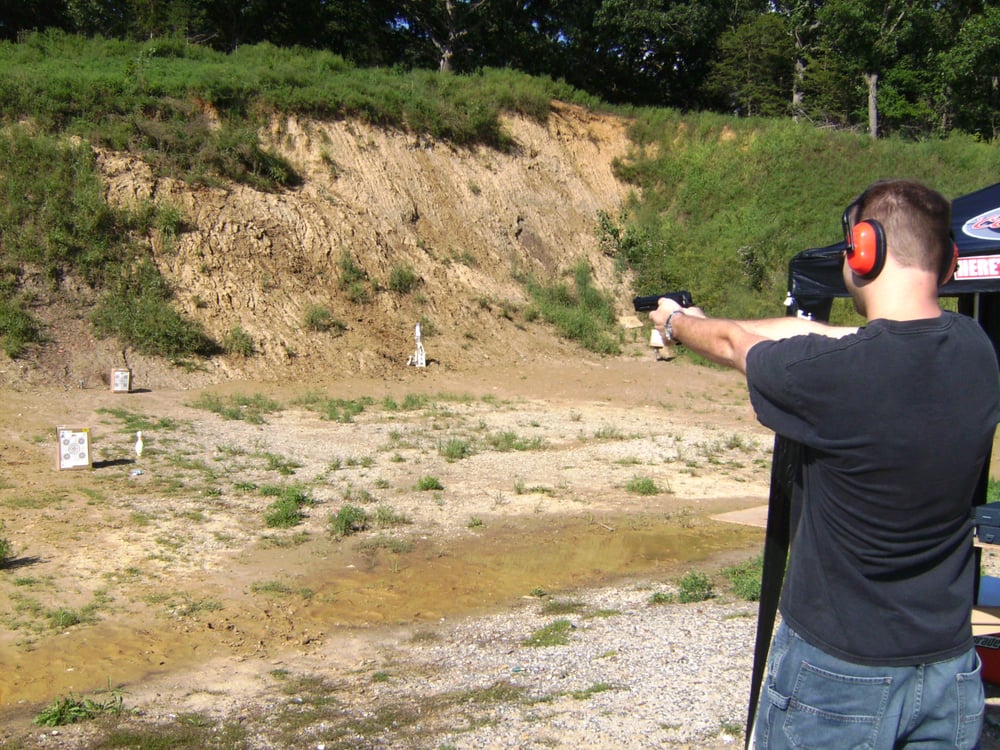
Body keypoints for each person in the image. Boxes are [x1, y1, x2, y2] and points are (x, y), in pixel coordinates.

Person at [649, 179, 999, 749]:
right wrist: (708, 319)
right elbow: (828, 335)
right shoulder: (975, 349)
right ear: (952, 260)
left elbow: (740, 347)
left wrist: (676, 324)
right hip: (948, 673)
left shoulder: (830, 378)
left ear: (863, 249)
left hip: (839, 677)